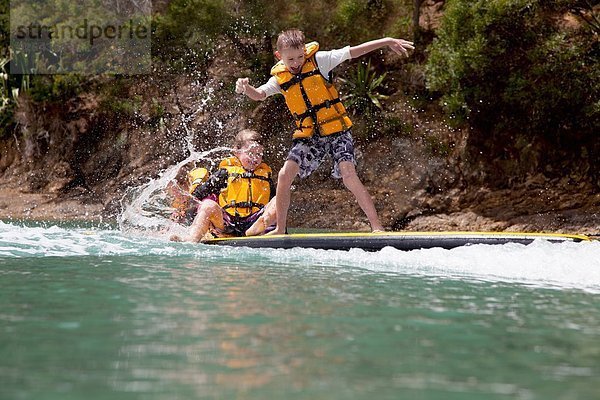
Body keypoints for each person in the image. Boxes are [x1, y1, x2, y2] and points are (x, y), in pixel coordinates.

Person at [235, 29, 414, 234]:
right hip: (309, 135)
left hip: (337, 130)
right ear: (279, 57)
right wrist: (245, 87)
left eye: (300, 56)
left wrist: (386, 39)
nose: (296, 62)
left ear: (305, 50)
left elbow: (352, 52)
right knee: (284, 175)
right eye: (290, 59)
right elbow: (259, 95)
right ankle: (280, 230)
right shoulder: (280, 78)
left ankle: (377, 227)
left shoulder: (320, 60)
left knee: (348, 174)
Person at [170, 129, 277, 243]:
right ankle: (191, 238)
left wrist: (283, 234)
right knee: (208, 205)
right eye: (250, 153)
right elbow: (197, 196)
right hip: (228, 224)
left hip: (254, 222)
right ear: (237, 151)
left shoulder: (265, 177)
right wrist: (182, 213)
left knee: (278, 200)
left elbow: (276, 207)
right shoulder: (224, 174)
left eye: (259, 154)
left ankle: (254, 231)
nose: (255, 158)